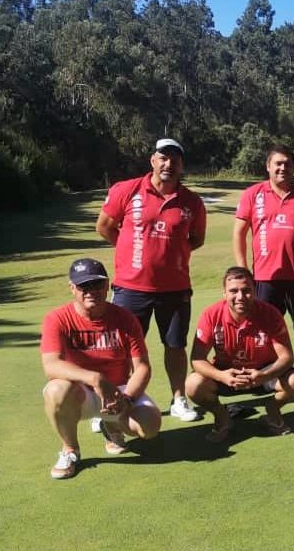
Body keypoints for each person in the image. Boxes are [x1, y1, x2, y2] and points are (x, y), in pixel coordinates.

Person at [95, 138, 206, 424]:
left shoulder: (192, 202)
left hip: (175, 288)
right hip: (131, 287)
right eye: (163, 157)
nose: (169, 164)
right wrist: (132, 251)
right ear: (153, 160)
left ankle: (179, 399)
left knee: (175, 345)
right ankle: (111, 401)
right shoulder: (127, 190)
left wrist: (170, 255)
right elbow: (105, 227)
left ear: (181, 165)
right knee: (121, 350)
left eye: (175, 159)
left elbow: (196, 239)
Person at [41, 258, 162, 479]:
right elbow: (51, 365)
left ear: (107, 285)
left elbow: (142, 367)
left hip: (119, 391)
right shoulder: (57, 318)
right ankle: (70, 451)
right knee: (55, 390)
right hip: (81, 394)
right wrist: (96, 379)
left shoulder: (124, 318)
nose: (91, 291)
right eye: (83, 286)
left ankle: (111, 426)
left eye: (96, 285)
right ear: (72, 288)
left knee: (150, 427)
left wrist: (127, 398)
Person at [233, 145, 294, 392]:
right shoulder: (252, 194)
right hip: (265, 278)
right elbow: (239, 234)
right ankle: (265, 374)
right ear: (268, 166)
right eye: (277, 163)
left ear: (293, 167)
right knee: (264, 329)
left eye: (287, 163)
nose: (282, 168)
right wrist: (244, 272)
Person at [187, 267, 294, 442]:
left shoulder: (271, 314)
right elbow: (197, 359)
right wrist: (221, 376)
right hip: (226, 375)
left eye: (246, 290)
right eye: (233, 291)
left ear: (254, 290)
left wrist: (263, 375)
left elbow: (286, 357)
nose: (240, 297)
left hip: (263, 374)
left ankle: (272, 412)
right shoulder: (211, 315)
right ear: (224, 293)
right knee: (193, 384)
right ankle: (222, 416)